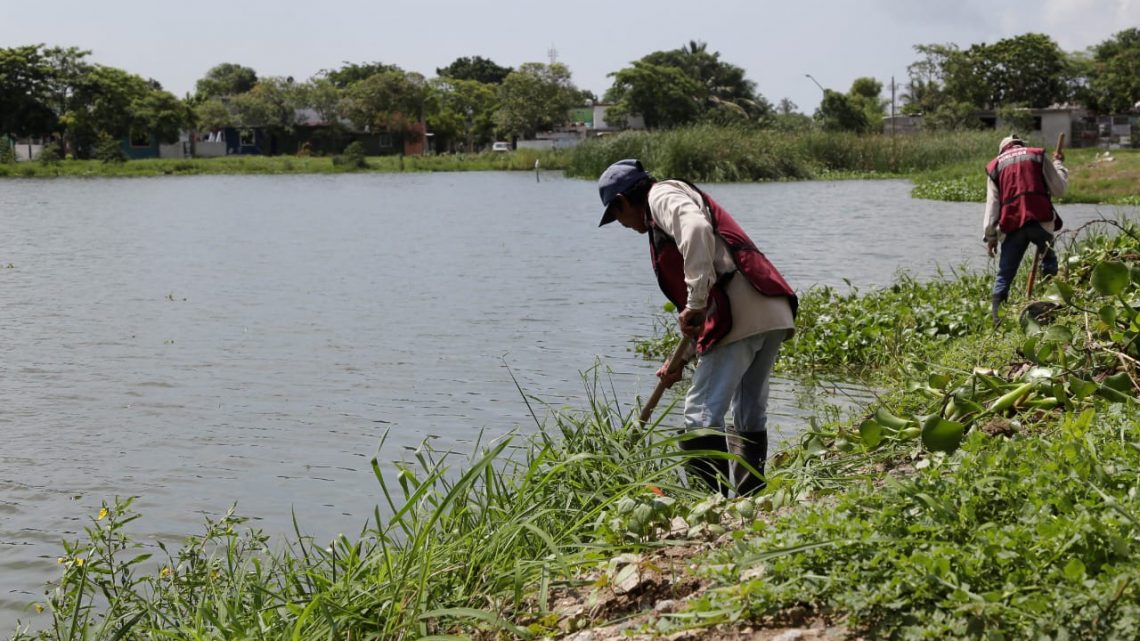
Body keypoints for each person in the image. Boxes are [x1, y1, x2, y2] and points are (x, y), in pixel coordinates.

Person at [596, 159, 797, 496]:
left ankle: (710, 505)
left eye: (615, 215)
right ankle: (751, 499)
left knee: (700, 415)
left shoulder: (661, 196)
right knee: (748, 412)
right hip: (769, 307)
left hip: (740, 310)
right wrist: (683, 357)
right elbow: (703, 310)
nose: (622, 224)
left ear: (622, 201)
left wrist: (696, 300)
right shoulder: (664, 206)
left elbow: (697, 230)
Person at [984, 134, 1068, 325]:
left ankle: (997, 321)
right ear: (1021, 145)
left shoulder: (995, 166)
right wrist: (1059, 164)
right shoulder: (1036, 155)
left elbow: (992, 206)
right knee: (1049, 261)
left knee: (1005, 273)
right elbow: (1059, 189)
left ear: (1003, 150)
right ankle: (1049, 306)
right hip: (1040, 221)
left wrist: (990, 237)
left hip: (1012, 224)